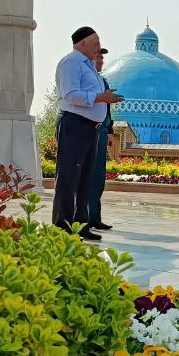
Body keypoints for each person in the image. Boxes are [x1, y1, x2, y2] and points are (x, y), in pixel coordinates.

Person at [52, 26, 121, 239]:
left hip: (91, 128)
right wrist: (101, 98)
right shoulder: (71, 63)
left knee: (84, 179)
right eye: (96, 43)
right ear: (82, 43)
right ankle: (62, 226)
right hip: (75, 125)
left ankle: (81, 225)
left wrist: (105, 99)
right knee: (69, 177)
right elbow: (70, 94)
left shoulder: (88, 66)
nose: (98, 48)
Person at [87, 48, 114, 231]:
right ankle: (84, 217)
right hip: (89, 131)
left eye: (102, 58)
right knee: (86, 176)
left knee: (98, 176)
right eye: (98, 57)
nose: (101, 61)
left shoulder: (102, 81)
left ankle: (95, 217)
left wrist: (109, 130)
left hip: (101, 132)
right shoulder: (85, 80)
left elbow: (107, 108)